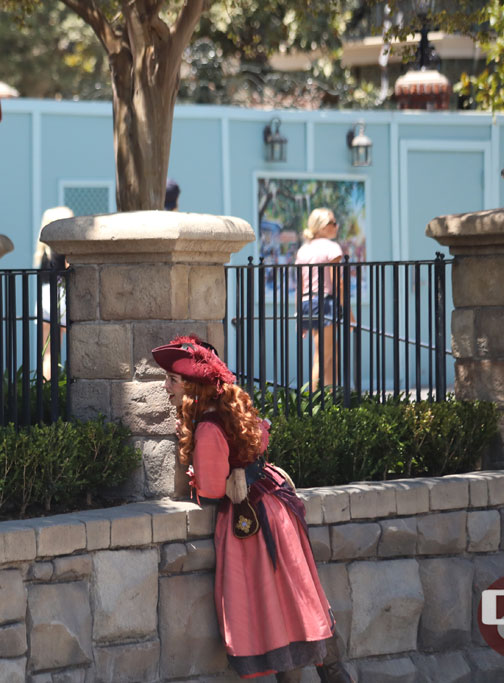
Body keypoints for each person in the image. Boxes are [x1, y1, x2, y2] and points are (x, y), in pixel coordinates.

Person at [152, 335, 352, 682]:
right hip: (276, 509)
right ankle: (336, 675)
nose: (166, 386)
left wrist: (197, 476)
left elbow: (212, 490)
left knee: (278, 613)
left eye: (172, 380)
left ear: (192, 386)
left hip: (255, 526)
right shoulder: (228, 409)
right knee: (299, 602)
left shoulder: (208, 427)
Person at [295, 208, 345, 391]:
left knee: (331, 354)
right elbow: (337, 282)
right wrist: (348, 312)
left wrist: (299, 317)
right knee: (323, 356)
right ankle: (313, 404)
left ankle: (331, 400)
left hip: (308, 303)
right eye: (332, 222)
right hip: (325, 302)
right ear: (322, 226)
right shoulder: (332, 247)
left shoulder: (304, 250)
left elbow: (299, 288)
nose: (336, 226)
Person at [34, 206, 72, 381]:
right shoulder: (62, 249)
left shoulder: (42, 251)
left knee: (46, 352)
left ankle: (43, 386)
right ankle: (54, 387)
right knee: (55, 351)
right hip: (58, 297)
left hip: (43, 298)